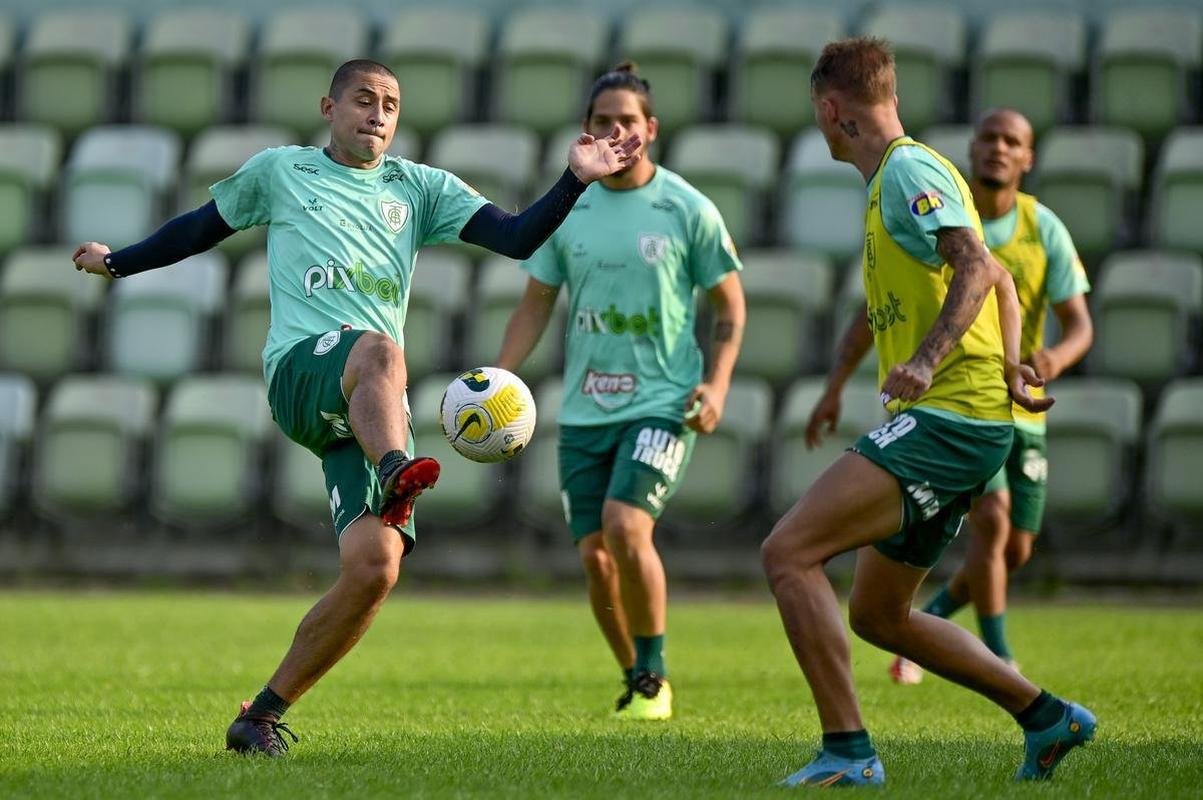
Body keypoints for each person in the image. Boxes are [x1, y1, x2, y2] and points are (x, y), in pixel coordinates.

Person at [72, 59, 642, 756]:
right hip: (303, 375)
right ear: (329, 107)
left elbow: (517, 237)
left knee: (374, 568)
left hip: (367, 407)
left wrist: (575, 179)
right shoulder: (281, 171)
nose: (377, 114)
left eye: (391, 104)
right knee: (379, 348)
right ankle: (400, 466)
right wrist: (116, 262)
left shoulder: (419, 187)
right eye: (364, 100)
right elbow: (197, 229)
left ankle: (260, 715)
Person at [761, 38, 1095, 787]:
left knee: (787, 553)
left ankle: (848, 752)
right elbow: (1000, 277)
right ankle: (1047, 717)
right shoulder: (895, 179)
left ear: (829, 108)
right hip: (968, 415)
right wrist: (1012, 361)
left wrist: (926, 357)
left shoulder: (908, 169)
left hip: (948, 418)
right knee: (879, 617)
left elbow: (975, 265)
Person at [496, 62, 745, 721]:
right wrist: (500, 377)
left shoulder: (686, 208)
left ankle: (653, 673)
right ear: (586, 131)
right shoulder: (567, 208)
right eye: (602, 121)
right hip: (584, 410)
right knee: (593, 558)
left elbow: (730, 309)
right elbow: (534, 305)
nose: (616, 131)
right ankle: (638, 677)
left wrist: (715, 385)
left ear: (650, 130)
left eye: (627, 121)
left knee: (624, 524)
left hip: (662, 401)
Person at [887, 109, 1093, 685]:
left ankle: (924, 625)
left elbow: (1080, 325)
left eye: (1012, 141)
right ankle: (1001, 655)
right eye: (988, 138)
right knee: (994, 521)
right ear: (973, 149)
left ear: (1027, 158)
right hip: (970, 393)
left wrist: (1054, 357)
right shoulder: (953, 219)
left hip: (1025, 397)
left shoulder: (1042, 227)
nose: (998, 149)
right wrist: (835, 382)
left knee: (1014, 551)